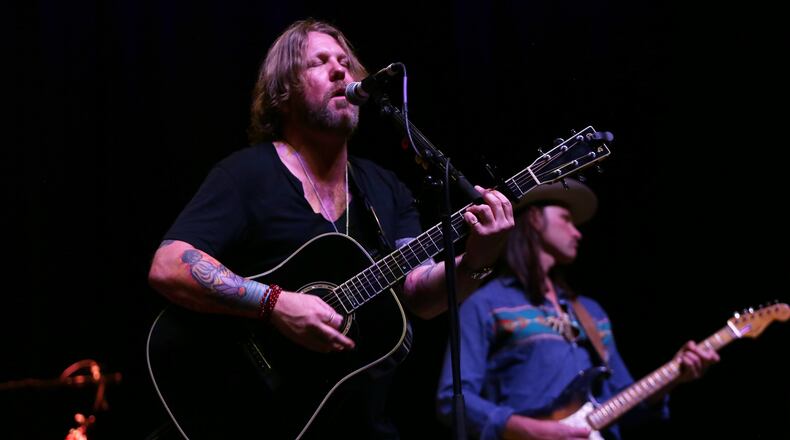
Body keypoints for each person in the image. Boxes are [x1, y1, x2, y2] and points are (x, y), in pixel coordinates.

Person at [147, 18, 514, 438]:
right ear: (283, 92)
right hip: (255, 416)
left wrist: (477, 260)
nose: (340, 70)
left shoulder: (384, 187)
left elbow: (419, 294)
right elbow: (169, 265)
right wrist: (275, 304)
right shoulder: (247, 175)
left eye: (345, 62)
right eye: (319, 62)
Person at [436, 179, 719, 440]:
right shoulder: (486, 304)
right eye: (566, 219)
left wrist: (673, 376)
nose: (577, 233)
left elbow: (625, 402)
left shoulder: (591, 313)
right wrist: (536, 431)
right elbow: (453, 400)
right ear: (534, 218)